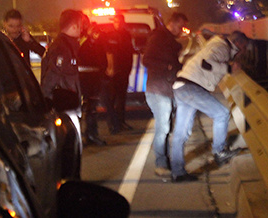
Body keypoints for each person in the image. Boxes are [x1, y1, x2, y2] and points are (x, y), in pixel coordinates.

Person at [170, 30, 250, 183]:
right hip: (191, 87)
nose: (244, 51)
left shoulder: (217, 43)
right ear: (238, 43)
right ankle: (219, 152)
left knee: (181, 134)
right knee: (222, 114)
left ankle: (177, 172)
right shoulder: (222, 47)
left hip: (182, 86)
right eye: (244, 47)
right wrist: (229, 68)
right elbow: (206, 62)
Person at [142, 12, 189, 177]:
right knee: (163, 128)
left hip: (165, 89)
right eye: (180, 26)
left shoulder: (167, 39)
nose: (181, 30)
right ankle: (160, 163)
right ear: (173, 23)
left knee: (165, 127)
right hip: (158, 89)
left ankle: (165, 160)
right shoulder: (159, 38)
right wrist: (168, 67)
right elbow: (146, 60)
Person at [40, 9, 84, 176]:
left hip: (67, 103)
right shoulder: (62, 48)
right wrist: (45, 99)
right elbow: (52, 75)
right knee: (72, 146)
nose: (81, 30)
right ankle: (71, 181)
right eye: (79, 26)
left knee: (71, 145)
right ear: (73, 26)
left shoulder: (64, 45)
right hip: (65, 105)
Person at [78, 19, 116, 146]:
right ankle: (87, 135)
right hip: (85, 78)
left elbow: (105, 52)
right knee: (86, 108)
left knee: (92, 108)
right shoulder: (82, 40)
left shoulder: (96, 39)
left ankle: (91, 134)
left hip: (94, 77)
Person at [105, 13, 136, 131]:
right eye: (115, 21)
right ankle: (112, 124)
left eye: (118, 21)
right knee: (112, 98)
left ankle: (121, 121)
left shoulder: (127, 35)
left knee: (122, 97)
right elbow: (109, 52)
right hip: (115, 71)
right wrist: (111, 67)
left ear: (123, 22)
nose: (116, 24)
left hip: (124, 69)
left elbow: (130, 50)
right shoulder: (111, 35)